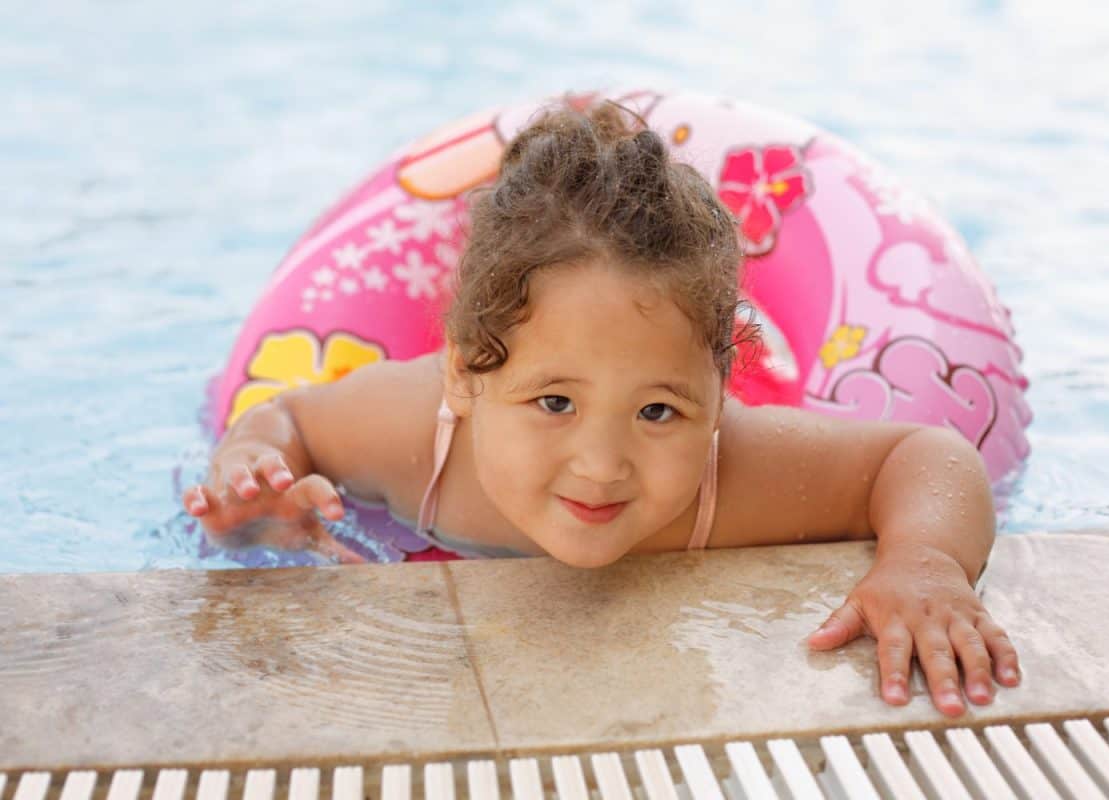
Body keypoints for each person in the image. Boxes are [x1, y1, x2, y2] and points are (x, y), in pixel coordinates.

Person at [184, 101, 1021, 717]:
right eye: (554, 402)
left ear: (722, 391)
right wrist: (253, 493)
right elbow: (284, 418)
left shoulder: (736, 475)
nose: (603, 464)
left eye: (659, 412)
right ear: (467, 376)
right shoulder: (414, 433)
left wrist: (923, 559)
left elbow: (926, 455)